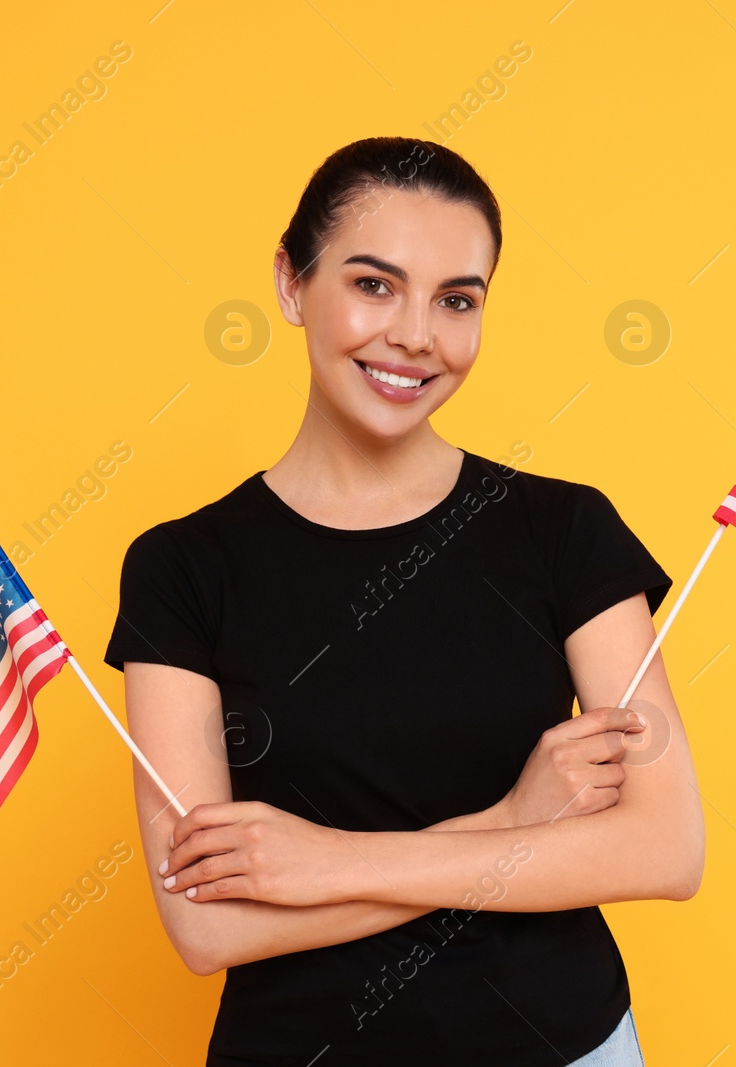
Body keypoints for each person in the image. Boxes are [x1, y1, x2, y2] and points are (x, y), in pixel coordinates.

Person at [104, 136, 704, 1067]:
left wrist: (327, 864)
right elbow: (205, 927)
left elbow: (666, 848)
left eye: (456, 300)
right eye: (375, 285)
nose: (417, 335)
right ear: (291, 283)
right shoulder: (181, 568)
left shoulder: (563, 529)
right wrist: (509, 825)